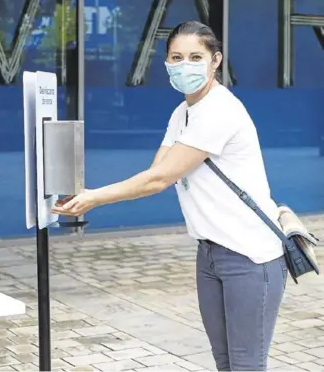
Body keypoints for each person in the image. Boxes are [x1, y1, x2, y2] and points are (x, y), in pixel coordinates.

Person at [51, 21, 287, 371]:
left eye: (195, 57)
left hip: (250, 257)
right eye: (176, 57)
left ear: (215, 60)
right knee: (225, 363)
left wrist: (93, 198)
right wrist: (91, 193)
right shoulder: (182, 113)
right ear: (166, 64)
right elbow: (155, 171)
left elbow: (158, 180)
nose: (185, 65)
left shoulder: (220, 110)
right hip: (210, 254)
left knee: (246, 365)